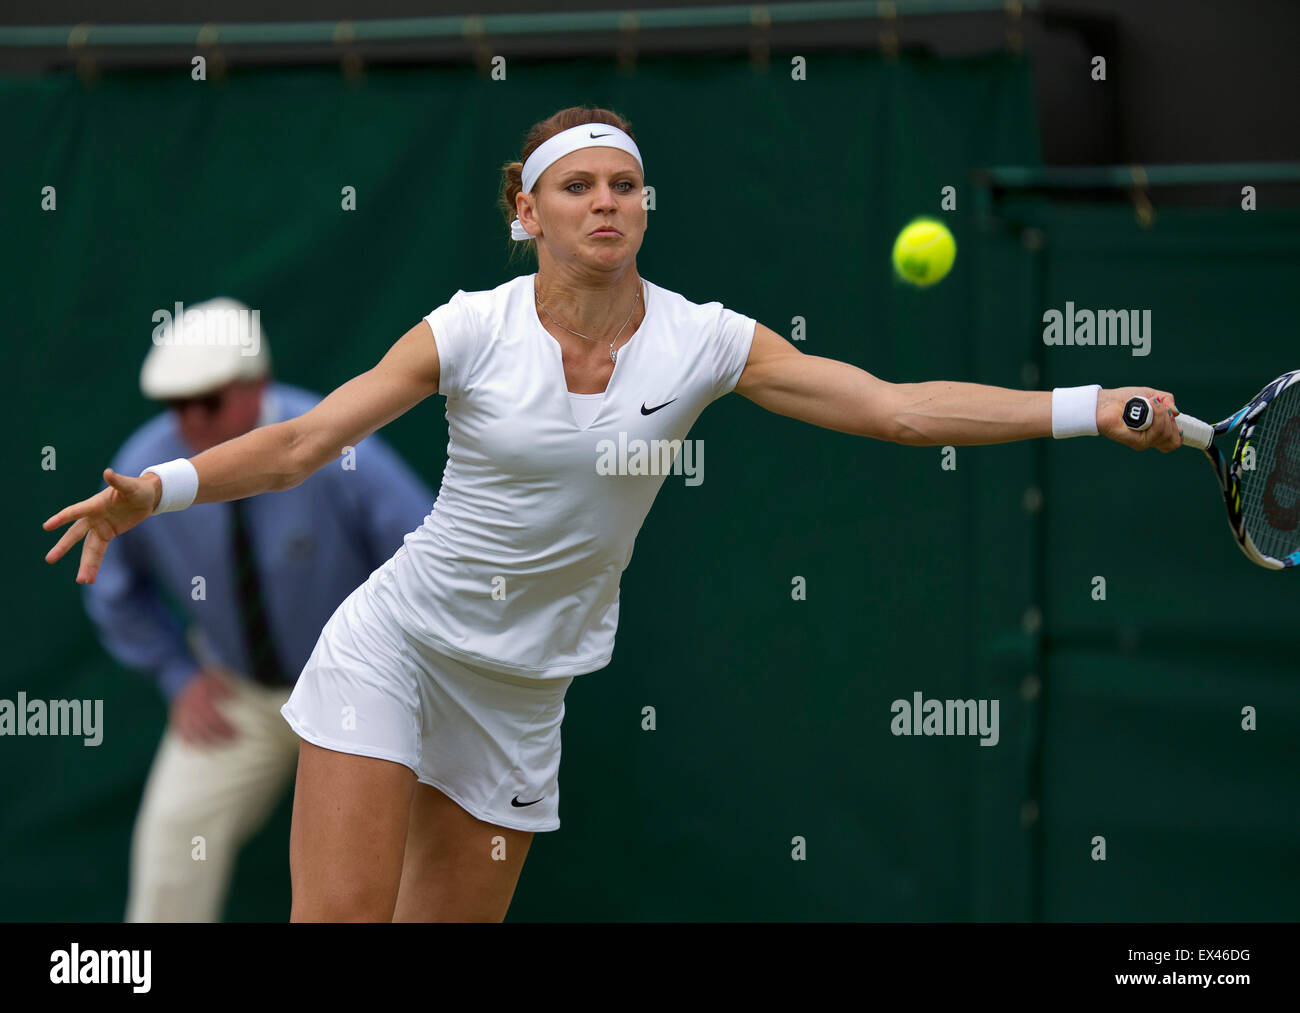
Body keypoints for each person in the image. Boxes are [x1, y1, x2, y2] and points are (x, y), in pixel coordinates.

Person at [42, 105, 1185, 923]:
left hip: (524, 692)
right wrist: (160, 490)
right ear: (524, 209)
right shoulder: (468, 330)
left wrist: (1084, 403)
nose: (606, 200)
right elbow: (301, 443)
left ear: (645, 206)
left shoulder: (704, 341)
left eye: (623, 184)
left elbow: (894, 411)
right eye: (577, 184)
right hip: (395, 647)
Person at [79, 298, 434, 921]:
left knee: (404, 860)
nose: (190, 419)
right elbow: (108, 582)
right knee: (173, 841)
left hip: (363, 693)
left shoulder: (334, 444)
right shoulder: (144, 467)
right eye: (176, 405)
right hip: (238, 692)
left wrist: (407, 678)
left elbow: (426, 551)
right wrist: (176, 674)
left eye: (208, 401)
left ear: (255, 386)